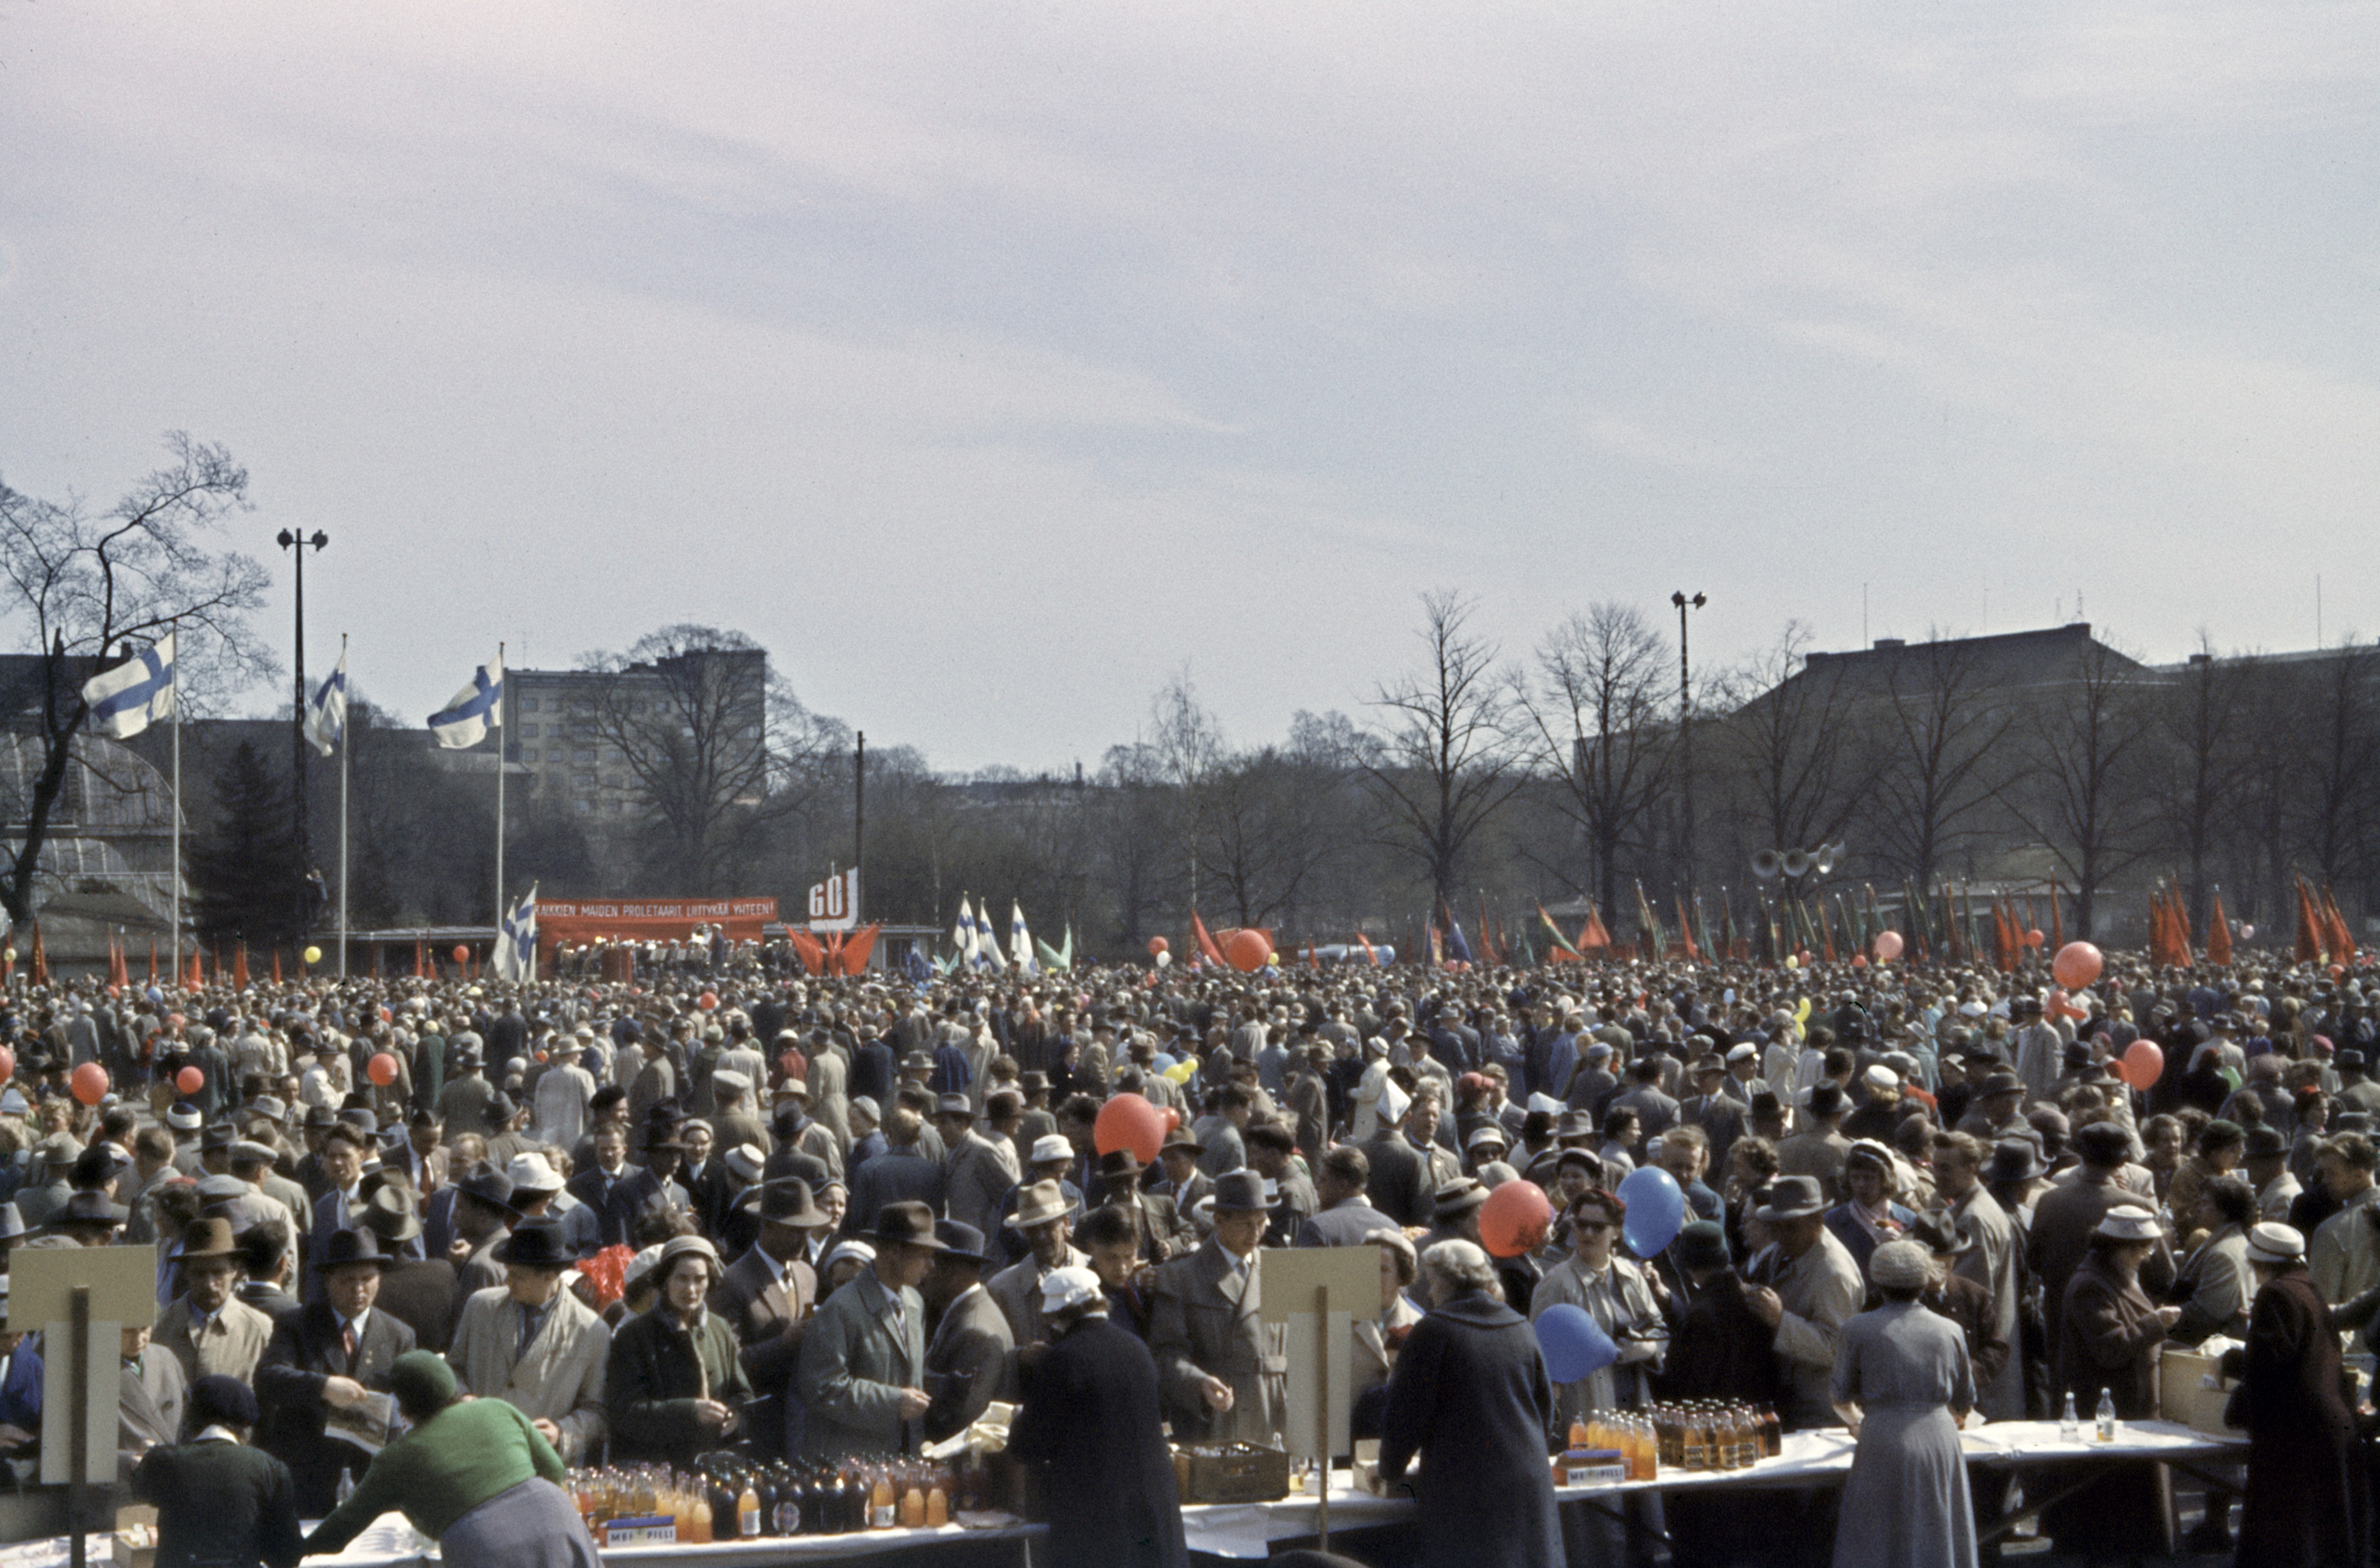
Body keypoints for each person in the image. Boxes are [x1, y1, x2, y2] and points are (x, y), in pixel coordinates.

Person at [301, 1351, 599, 1568]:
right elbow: (554, 1469)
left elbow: (344, 1525)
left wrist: (297, 1550)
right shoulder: (495, 1408)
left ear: (403, 1409)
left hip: (483, 1544)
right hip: (556, 1516)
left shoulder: (397, 1457)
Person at [1379, 1239, 1562, 1568]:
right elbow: (1544, 1414)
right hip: (1528, 1485)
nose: (1430, 1295)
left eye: (1431, 1285)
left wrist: (1388, 1471)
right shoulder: (1521, 1328)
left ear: (1441, 1282)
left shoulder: (1433, 1331)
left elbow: (1404, 1419)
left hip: (1467, 1493)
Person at [1007, 1264, 1188, 1568]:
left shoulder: (1061, 1359)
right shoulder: (1137, 1349)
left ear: (1057, 1316)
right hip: (1153, 1514)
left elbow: (1030, 1445)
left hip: (1097, 1522)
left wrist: (1014, 1421)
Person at [2226, 1221, 2369, 1567]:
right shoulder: (2309, 1289)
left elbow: (2267, 1367)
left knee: (2288, 1542)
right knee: (2321, 1540)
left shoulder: (2274, 1293)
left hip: (2295, 1434)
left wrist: (2231, 1373)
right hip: (2326, 1426)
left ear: (2258, 1263)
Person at [2042, 1205, 2181, 1561]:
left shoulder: (2114, 1276)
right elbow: (2111, 1347)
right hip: (2105, 1412)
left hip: (2126, 1408)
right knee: (2111, 1525)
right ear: (2115, 1246)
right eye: (2139, 1248)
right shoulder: (2091, 1284)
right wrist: (2156, 1324)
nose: (2146, 1256)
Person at [1829, 1239, 1978, 1568]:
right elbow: (1965, 1403)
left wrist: (1856, 1422)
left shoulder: (1857, 1329)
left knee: (1878, 1538)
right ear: (1925, 1281)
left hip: (1881, 1437)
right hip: (1938, 1436)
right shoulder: (1950, 1330)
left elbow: (1840, 1397)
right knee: (1937, 1532)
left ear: (1877, 1282)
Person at [254, 1227, 418, 1515]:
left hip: (372, 1480)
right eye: (347, 1280)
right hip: (309, 1476)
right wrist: (324, 1387)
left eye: (367, 1279)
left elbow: (412, 1404)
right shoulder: (296, 1324)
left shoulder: (399, 1335)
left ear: (379, 1280)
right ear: (328, 1281)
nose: (358, 1289)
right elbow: (268, 1378)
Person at [445, 1216, 612, 1466]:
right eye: (507, 1272)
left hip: (538, 1466)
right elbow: (452, 1368)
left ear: (549, 1276)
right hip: (475, 1454)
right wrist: (463, 1396)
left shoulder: (591, 1330)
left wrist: (562, 1432)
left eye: (517, 1276)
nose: (507, 1281)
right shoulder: (481, 1306)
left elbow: (597, 1411)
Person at [1148, 1170, 1285, 1442]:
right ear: (1219, 1221)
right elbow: (1166, 1354)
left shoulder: (1279, 1269)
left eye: (1262, 1222)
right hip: (1215, 1421)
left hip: (1272, 1417)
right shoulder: (1181, 1276)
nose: (1256, 1233)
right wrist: (1198, 1382)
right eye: (1246, 1224)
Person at [798, 1201, 935, 1457]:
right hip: (852, 1462)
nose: (931, 1265)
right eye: (924, 1255)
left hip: (901, 1460)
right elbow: (823, 1388)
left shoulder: (914, 1302)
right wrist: (893, 1402)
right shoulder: (840, 1308)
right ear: (895, 1251)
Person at [603, 1234, 750, 1467]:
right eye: (682, 1279)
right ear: (665, 1281)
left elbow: (742, 1393)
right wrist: (690, 1412)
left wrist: (736, 1415)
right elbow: (625, 1412)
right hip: (656, 1469)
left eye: (699, 1279)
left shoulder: (719, 1329)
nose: (691, 1289)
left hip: (710, 1466)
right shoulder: (634, 1335)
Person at [133, 1374, 303, 1568]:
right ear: (245, 1427)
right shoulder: (272, 1469)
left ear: (191, 1419)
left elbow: (140, 1488)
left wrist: (148, 1457)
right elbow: (287, 1557)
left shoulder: (164, 1461)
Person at [1743, 1175, 1865, 1429]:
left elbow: (1837, 1349)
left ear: (1817, 1222)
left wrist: (1780, 1320)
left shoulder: (1834, 1273)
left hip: (1822, 1413)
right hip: (1792, 1400)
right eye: (1776, 1226)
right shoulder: (1790, 1248)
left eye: (1790, 1227)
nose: (1780, 1235)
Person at [921, 1219, 1014, 1440]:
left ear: (954, 1273)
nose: (924, 1271)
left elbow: (961, 1420)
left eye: (930, 1263)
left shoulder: (975, 1331)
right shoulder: (964, 1313)